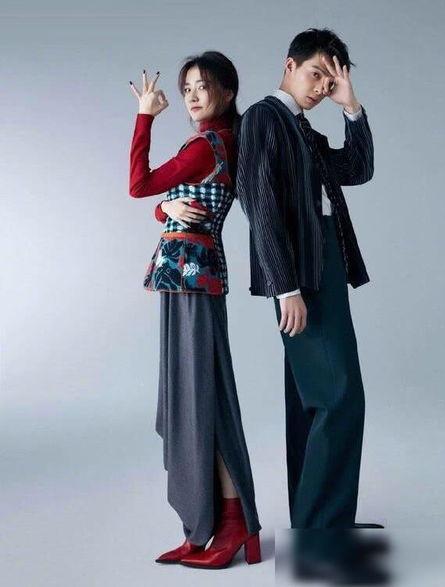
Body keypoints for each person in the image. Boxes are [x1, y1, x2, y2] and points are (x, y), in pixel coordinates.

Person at [237, 28, 378, 529]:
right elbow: (259, 203)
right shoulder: (264, 117)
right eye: (316, 74)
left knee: (312, 399)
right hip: (301, 275)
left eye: (329, 80)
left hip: (325, 264)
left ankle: (316, 524)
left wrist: (351, 106)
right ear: (289, 65)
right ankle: (323, 531)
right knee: (338, 395)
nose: (320, 87)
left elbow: (357, 169)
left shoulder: (302, 128)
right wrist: (286, 287)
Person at [128, 51, 261, 569]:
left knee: (201, 399)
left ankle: (229, 524)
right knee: (197, 397)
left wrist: (145, 115)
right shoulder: (222, 142)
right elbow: (178, 202)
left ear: (227, 92)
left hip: (191, 281)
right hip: (190, 279)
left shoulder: (207, 144)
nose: (192, 96)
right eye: (187, 89)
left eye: (202, 86)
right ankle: (206, 525)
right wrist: (166, 208)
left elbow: (139, 184)